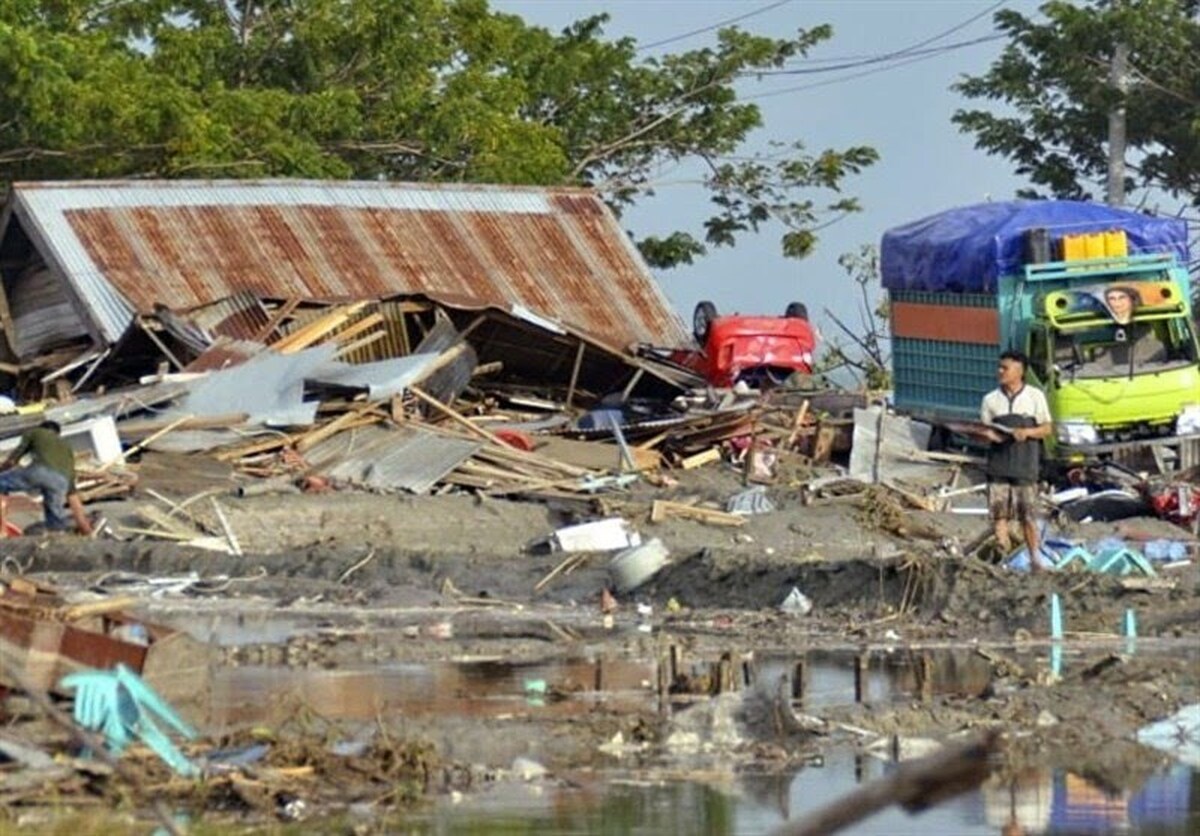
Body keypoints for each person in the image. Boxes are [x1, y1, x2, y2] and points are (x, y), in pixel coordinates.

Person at [981, 351, 1053, 569]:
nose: (1000, 372)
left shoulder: (1035, 397)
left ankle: (1035, 560)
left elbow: (1047, 428)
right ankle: (1004, 558)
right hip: (998, 466)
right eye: (999, 367)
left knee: (1027, 517)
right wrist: (989, 435)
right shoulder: (990, 400)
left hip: (1025, 466)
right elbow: (984, 429)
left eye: (1005, 368)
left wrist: (1027, 433)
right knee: (999, 515)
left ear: (1020, 371)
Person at [0, 420, 93, 535]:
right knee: (55, 520)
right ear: (57, 434)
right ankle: (58, 535)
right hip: (61, 483)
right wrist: (86, 529)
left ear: (42, 428)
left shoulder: (35, 432)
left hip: (40, 472)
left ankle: (1, 530)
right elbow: (73, 498)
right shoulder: (66, 447)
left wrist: (3, 469)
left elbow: (13, 459)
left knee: (1, 484)